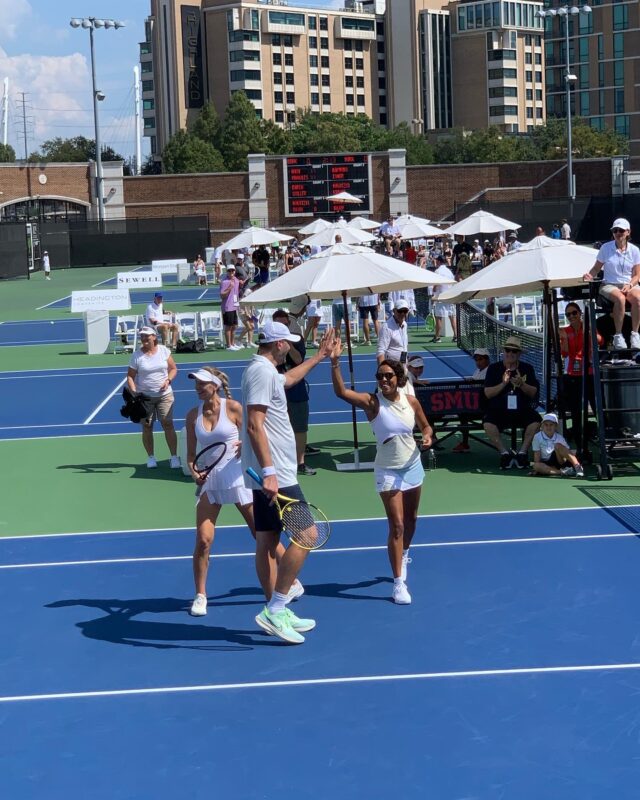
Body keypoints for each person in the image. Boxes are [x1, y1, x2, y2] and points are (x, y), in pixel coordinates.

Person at [241, 321, 335, 644]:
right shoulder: (261, 372)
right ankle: (277, 606)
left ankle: (274, 609)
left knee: (267, 541)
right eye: (289, 345)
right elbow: (254, 425)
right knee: (307, 534)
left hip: (274, 473)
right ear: (279, 345)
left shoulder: (267, 373)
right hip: (277, 474)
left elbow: (289, 379)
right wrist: (269, 472)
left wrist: (320, 356)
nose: (292, 349)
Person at [330, 343, 433, 604]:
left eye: (388, 376)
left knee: (411, 521)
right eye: (380, 376)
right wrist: (334, 363)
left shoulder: (411, 401)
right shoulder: (372, 402)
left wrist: (428, 437)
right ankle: (398, 583)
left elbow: (426, 427)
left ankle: (404, 553)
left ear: (399, 378)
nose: (384, 380)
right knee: (397, 525)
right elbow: (341, 392)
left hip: (412, 466)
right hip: (387, 471)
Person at [185, 367, 258, 616]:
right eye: (196, 383)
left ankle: (289, 582)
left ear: (214, 386)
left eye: (202, 383)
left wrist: (245, 445)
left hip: (237, 478)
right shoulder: (192, 415)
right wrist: (195, 472)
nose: (197, 387)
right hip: (210, 483)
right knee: (203, 541)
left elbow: (257, 432)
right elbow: (191, 457)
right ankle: (200, 595)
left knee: (261, 534)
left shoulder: (234, 408)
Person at [272, 305, 318, 476]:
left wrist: (287, 342)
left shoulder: (296, 339)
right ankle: (278, 462)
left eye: (284, 325)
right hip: (276, 391)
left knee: (299, 428)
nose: (281, 329)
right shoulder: (268, 344)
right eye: (277, 326)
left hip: (296, 389)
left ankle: (300, 463)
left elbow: (299, 361)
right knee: (276, 427)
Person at [483, 335, 541, 469]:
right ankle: (504, 453)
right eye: (508, 350)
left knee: (536, 421)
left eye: (514, 351)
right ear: (504, 352)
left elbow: (533, 392)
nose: (510, 354)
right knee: (488, 424)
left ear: (519, 354)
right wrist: (503, 384)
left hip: (522, 410)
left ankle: (522, 452)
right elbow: (487, 393)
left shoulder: (527, 368)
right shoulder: (494, 368)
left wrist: (522, 384)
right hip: (499, 411)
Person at [126, 326, 180, 469]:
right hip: (145, 398)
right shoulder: (136, 356)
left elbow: (173, 368)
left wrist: (168, 380)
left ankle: (174, 457)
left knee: (167, 424)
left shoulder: (163, 351)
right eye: (142, 336)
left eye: (147, 336)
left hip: (165, 395)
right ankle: (151, 457)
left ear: (154, 337)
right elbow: (130, 377)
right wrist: (134, 393)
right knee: (147, 426)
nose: (144, 338)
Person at [583, 218, 640, 350]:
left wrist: (630, 285)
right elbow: (596, 268)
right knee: (620, 298)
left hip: (629, 284)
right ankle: (618, 336)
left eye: (621, 230)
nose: (618, 233)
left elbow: (637, 275)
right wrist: (589, 275)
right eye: (615, 230)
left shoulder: (635, 250)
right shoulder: (605, 248)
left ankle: (635, 334)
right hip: (609, 284)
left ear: (628, 232)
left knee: (638, 298)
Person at [559, 303, 601, 455]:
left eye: (574, 313)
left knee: (597, 407)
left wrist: (589, 332)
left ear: (580, 313)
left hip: (589, 373)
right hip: (572, 375)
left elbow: (599, 341)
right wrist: (563, 340)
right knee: (576, 412)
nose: (571, 317)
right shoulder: (565, 331)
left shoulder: (589, 328)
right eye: (568, 314)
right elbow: (564, 353)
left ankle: (603, 440)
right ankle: (580, 446)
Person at [452, 348, 491, 453]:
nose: (478, 362)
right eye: (476, 360)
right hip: (474, 404)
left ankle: (465, 443)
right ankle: (465, 443)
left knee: (462, 413)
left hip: (483, 407)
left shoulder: (490, 371)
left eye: (480, 359)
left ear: (487, 359)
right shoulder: (478, 371)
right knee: (461, 411)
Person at [531, 413, 584, 478]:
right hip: (546, 463)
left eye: (551, 425)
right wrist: (536, 469)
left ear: (556, 426)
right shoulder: (537, 437)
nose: (548, 427)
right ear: (542, 426)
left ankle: (577, 466)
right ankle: (563, 472)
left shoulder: (560, 438)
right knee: (536, 466)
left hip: (559, 461)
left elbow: (566, 456)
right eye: (546, 425)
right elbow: (537, 455)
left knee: (558, 445)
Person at [431, 256, 457, 343]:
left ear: (438, 261)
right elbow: (453, 283)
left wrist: (433, 291)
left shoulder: (437, 271)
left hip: (441, 298)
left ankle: (437, 337)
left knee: (439, 317)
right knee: (452, 317)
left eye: (436, 261)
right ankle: (456, 336)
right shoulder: (449, 271)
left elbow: (435, 284)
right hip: (449, 297)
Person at [377, 299, 410, 364]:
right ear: (394, 311)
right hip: (391, 366)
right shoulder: (386, 327)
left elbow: (403, 346)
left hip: (402, 364)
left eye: (405, 311)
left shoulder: (404, 324)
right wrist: (383, 371)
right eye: (400, 311)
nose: (402, 313)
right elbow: (380, 352)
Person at [220, 265, 242, 351]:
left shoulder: (236, 280)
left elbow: (236, 293)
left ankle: (232, 343)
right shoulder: (224, 282)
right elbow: (222, 295)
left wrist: (241, 284)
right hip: (227, 307)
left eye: (233, 270)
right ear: (227, 271)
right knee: (228, 327)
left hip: (234, 306)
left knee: (234, 326)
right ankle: (228, 345)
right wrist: (229, 288)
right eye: (229, 271)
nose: (231, 272)